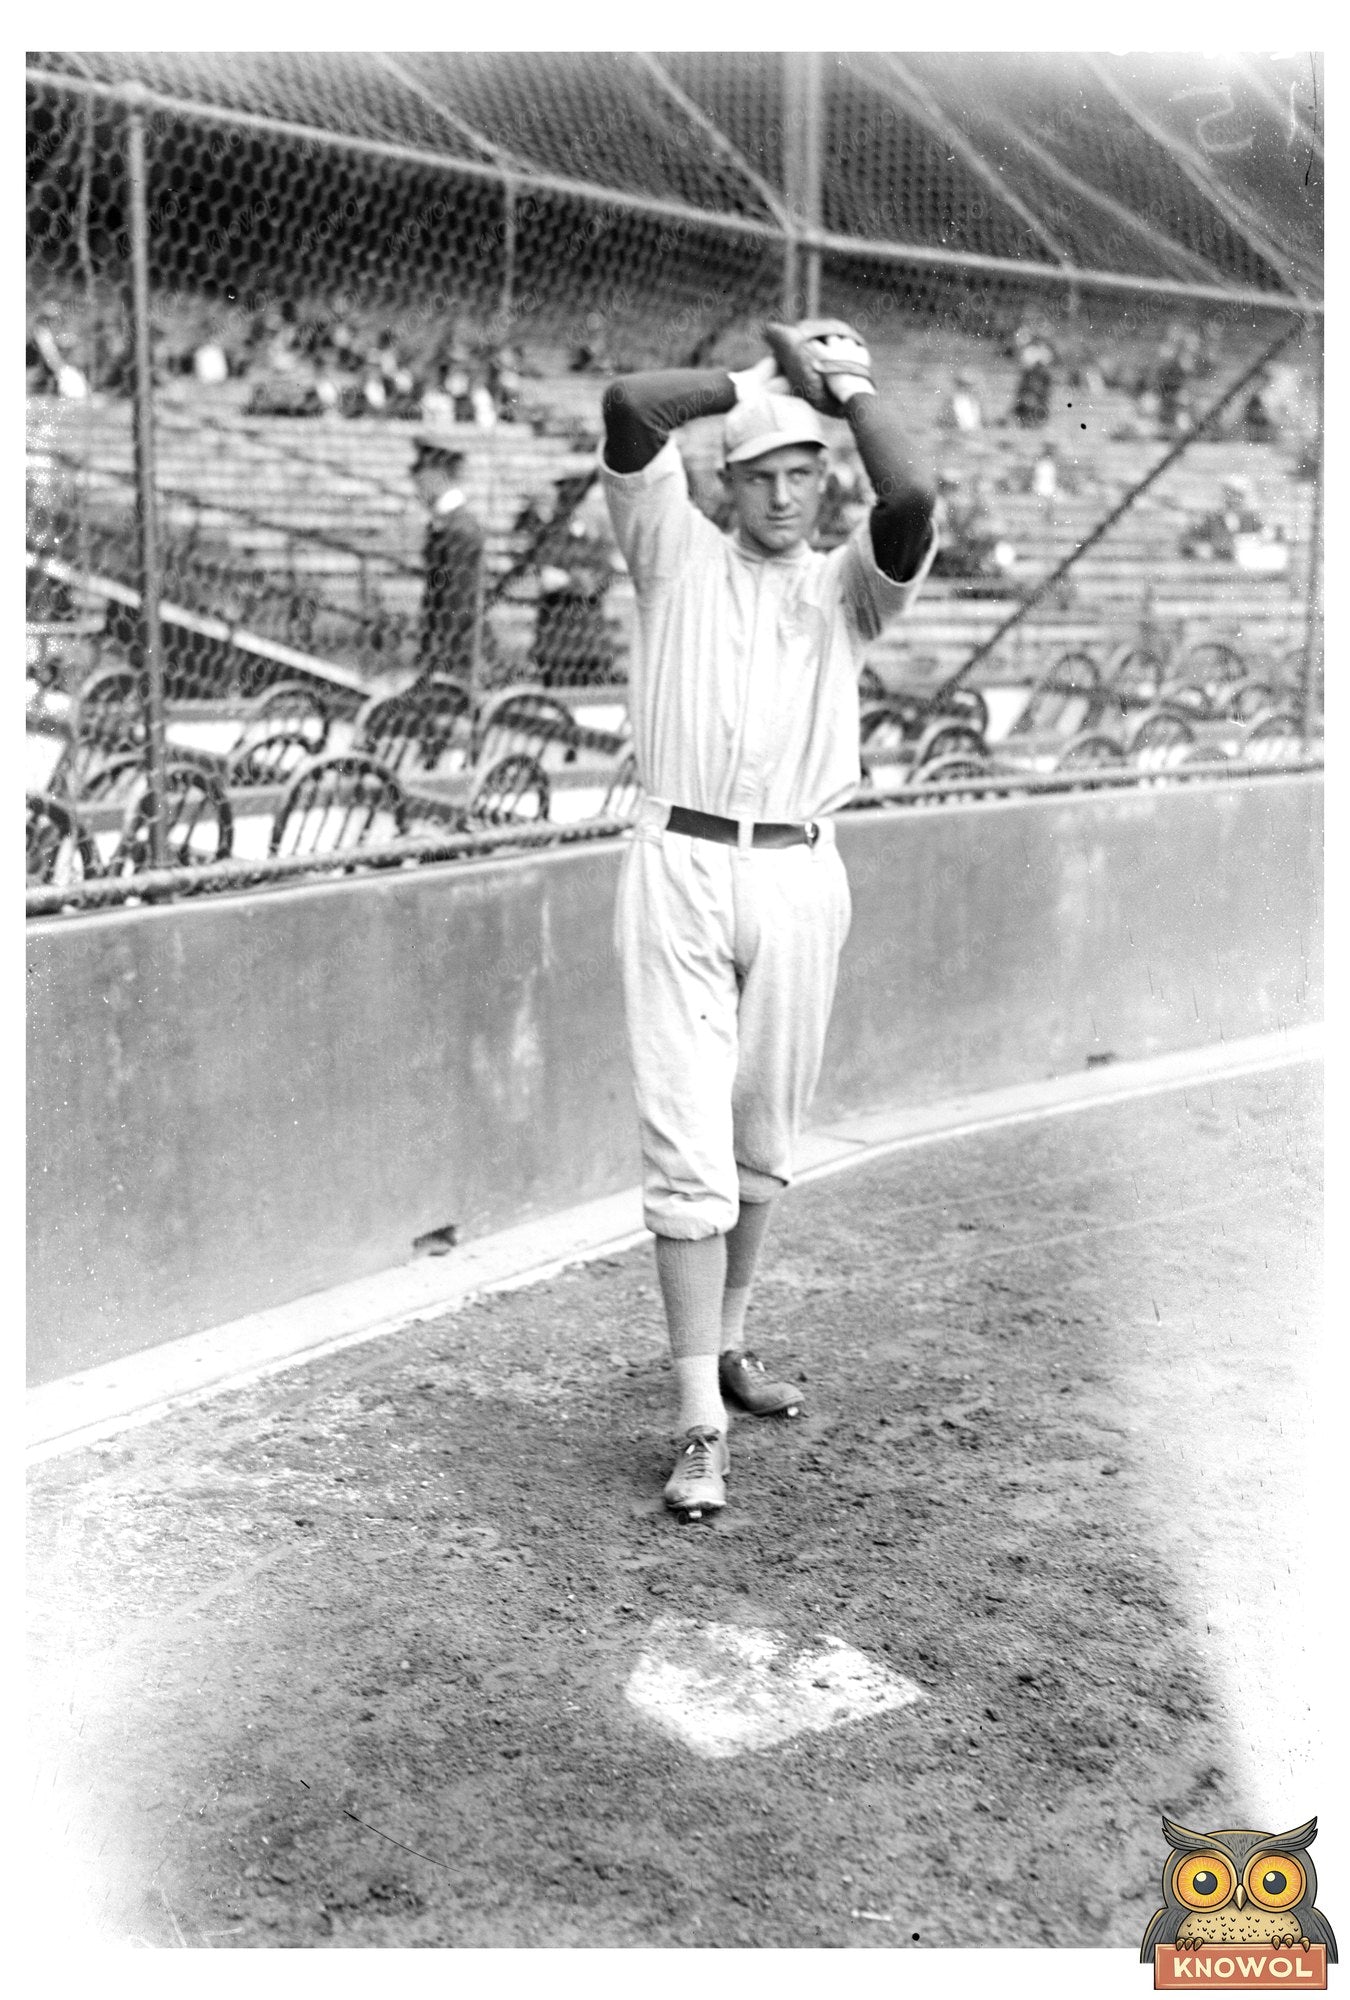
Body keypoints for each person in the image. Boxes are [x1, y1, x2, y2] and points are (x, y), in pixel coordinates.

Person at [599, 325, 936, 1519]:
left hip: (798, 868)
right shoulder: (671, 547)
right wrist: (756, 386)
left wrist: (846, 393)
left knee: (758, 1140)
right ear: (723, 481)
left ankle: (729, 1349)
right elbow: (632, 400)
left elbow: (913, 492)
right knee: (684, 1151)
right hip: (680, 858)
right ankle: (695, 1419)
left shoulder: (843, 582)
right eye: (761, 471)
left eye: (804, 470)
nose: (787, 492)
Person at [411, 436, 485, 681]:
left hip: (455, 648)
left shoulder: (459, 526)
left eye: (420, 480)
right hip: (444, 641)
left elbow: (458, 597)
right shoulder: (444, 523)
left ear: (437, 477)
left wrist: (441, 650)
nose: (417, 489)